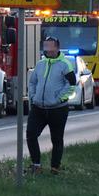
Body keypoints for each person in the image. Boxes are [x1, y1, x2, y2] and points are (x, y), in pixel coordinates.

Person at [27, 36, 76, 175]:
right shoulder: (40, 64)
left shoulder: (65, 64)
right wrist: (32, 97)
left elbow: (72, 84)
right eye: (46, 46)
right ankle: (36, 165)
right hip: (38, 108)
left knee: (56, 138)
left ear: (57, 47)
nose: (48, 49)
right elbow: (32, 82)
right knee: (31, 134)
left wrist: (59, 98)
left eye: (50, 46)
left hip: (58, 109)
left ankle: (55, 167)